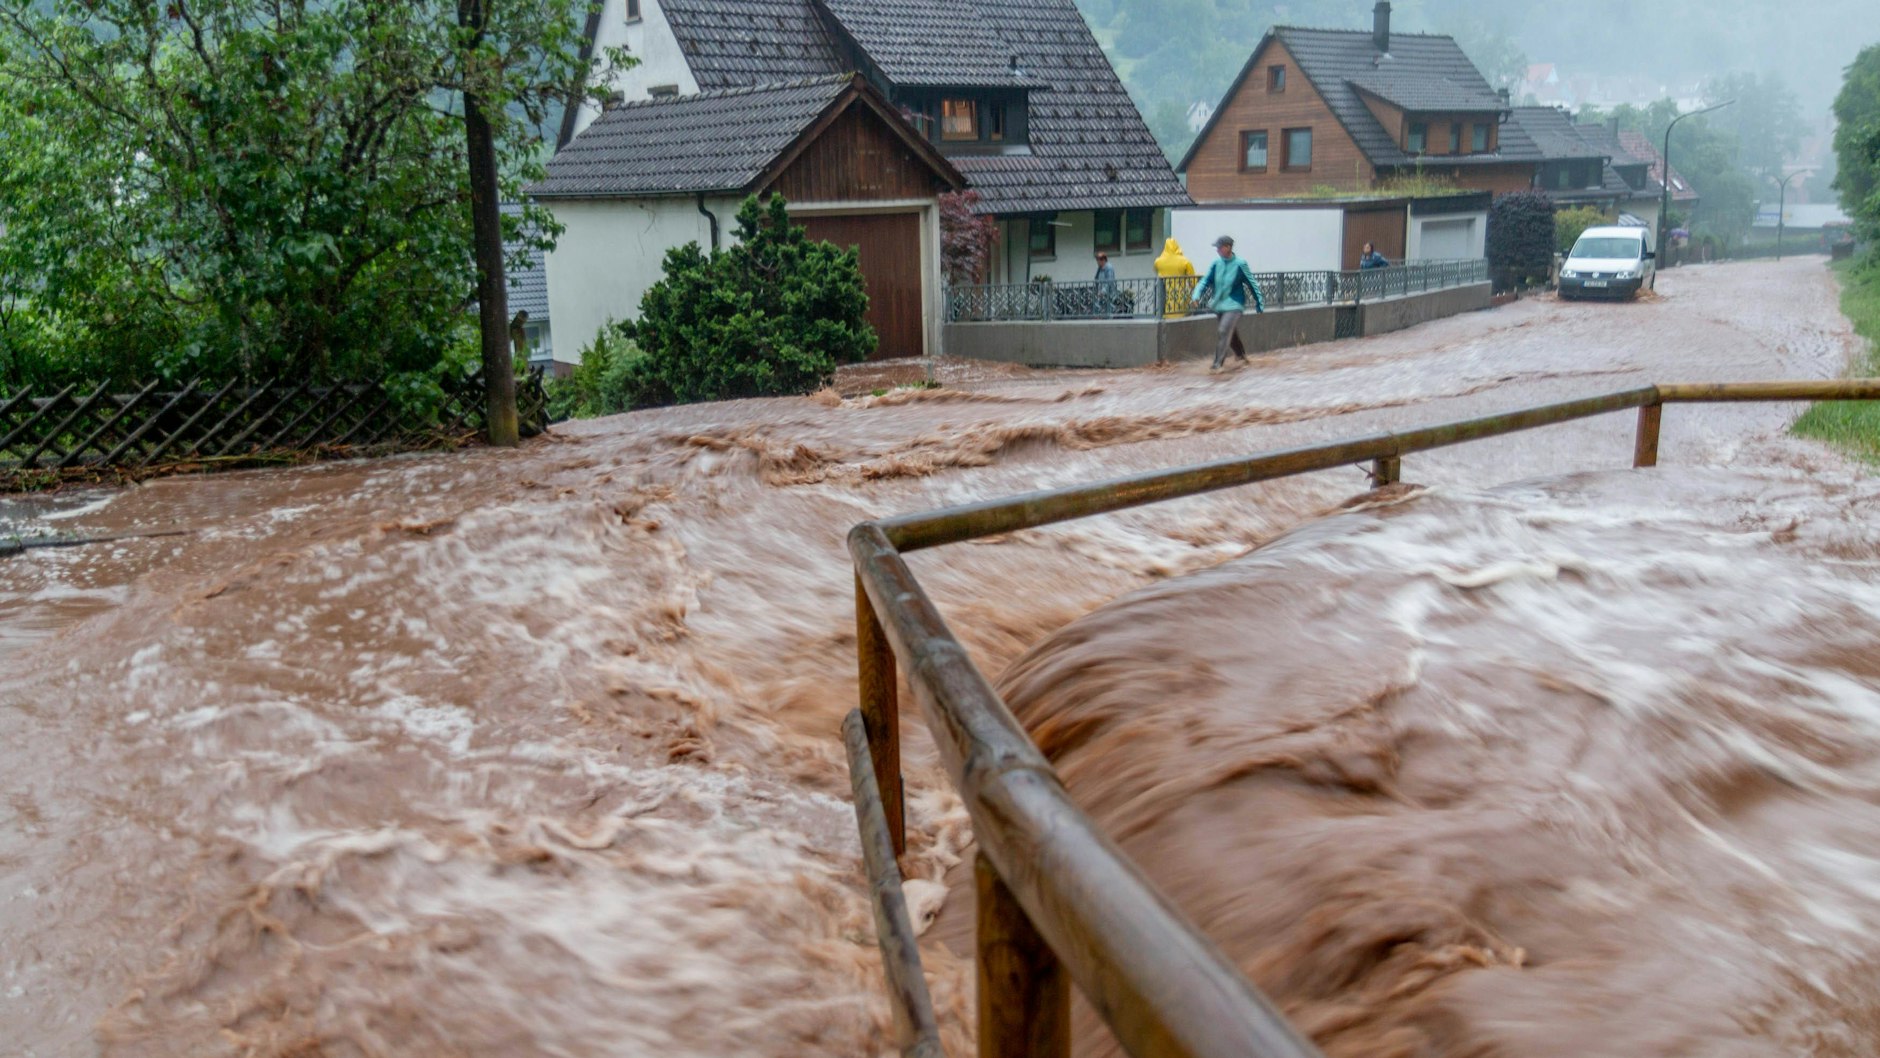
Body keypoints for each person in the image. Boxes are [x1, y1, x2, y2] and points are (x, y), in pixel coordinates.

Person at [1191, 235, 1265, 371]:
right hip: (1219, 305)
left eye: (1219, 247)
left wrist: (1259, 301)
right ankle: (1241, 357)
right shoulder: (1216, 264)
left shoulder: (1240, 264)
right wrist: (1196, 295)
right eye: (1217, 247)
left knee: (1224, 330)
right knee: (1230, 334)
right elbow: (1205, 281)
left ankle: (1217, 365)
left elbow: (1252, 283)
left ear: (1228, 247)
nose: (1217, 250)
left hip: (1235, 304)